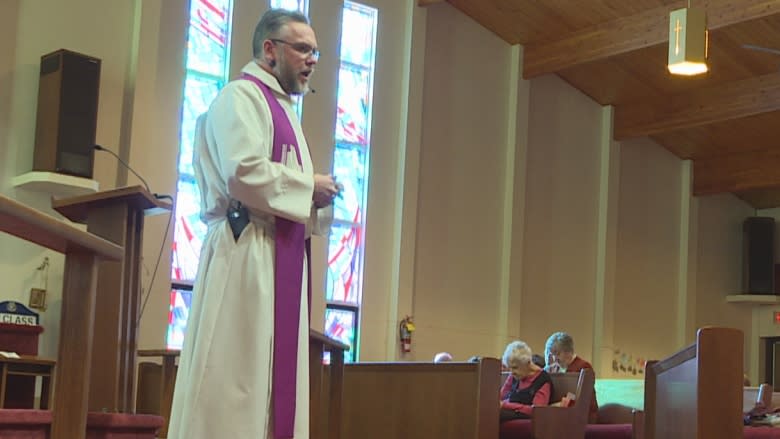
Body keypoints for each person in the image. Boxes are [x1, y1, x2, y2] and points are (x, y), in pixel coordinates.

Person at [168, 9, 340, 439]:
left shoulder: (283, 110)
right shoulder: (240, 98)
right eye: (302, 48)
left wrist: (313, 195)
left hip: (275, 251)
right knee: (234, 374)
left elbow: (280, 187)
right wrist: (309, 186)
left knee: (263, 376)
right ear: (269, 50)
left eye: (314, 50)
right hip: (245, 251)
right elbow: (241, 172)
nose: (312, 59)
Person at [544, 331, 599, 423]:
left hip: (583, 416)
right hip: (563, 414)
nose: (555, 359)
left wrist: (560, 403)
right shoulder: (556, 368)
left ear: (568, 351)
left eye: (557, 354)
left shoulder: (584, 367)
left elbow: (580, 396)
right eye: (552, 354)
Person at [499, 341, 552, 421]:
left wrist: (506, 405)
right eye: (510, 368)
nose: (512, 372)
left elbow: (536, 411)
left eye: (515, 367)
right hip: (511, 412)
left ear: (528, 363)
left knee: (493, 415)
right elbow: (500, 396)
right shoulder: (514, 375)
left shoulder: (542, 380)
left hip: (527, 416)